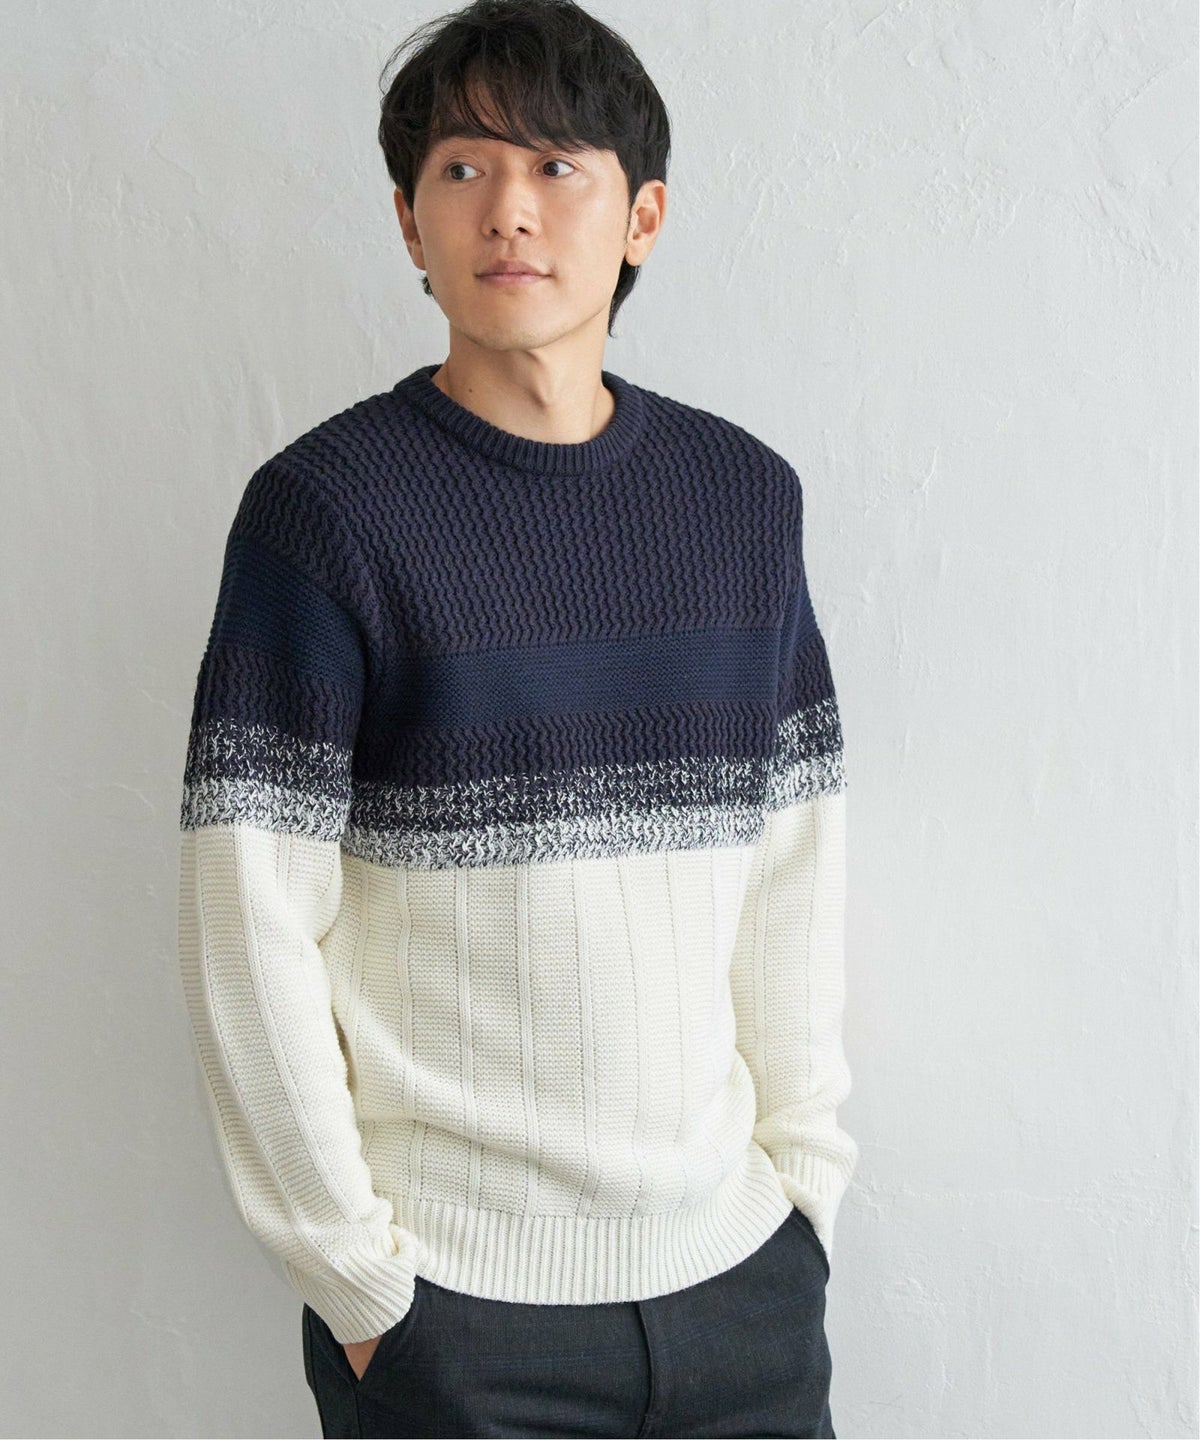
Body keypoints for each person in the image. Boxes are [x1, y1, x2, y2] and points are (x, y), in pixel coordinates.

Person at [176, 1, 858, 1435]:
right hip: (455, 1320)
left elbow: (794, 871)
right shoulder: (325, 516)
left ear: (642, 216)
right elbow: (247, 918)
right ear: (409, 223)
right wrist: (358, 1285)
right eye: (462, 169)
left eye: (557, 166)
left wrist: (803, 1192)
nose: (509, 210)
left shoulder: (745, 501)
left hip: (742, 1287)